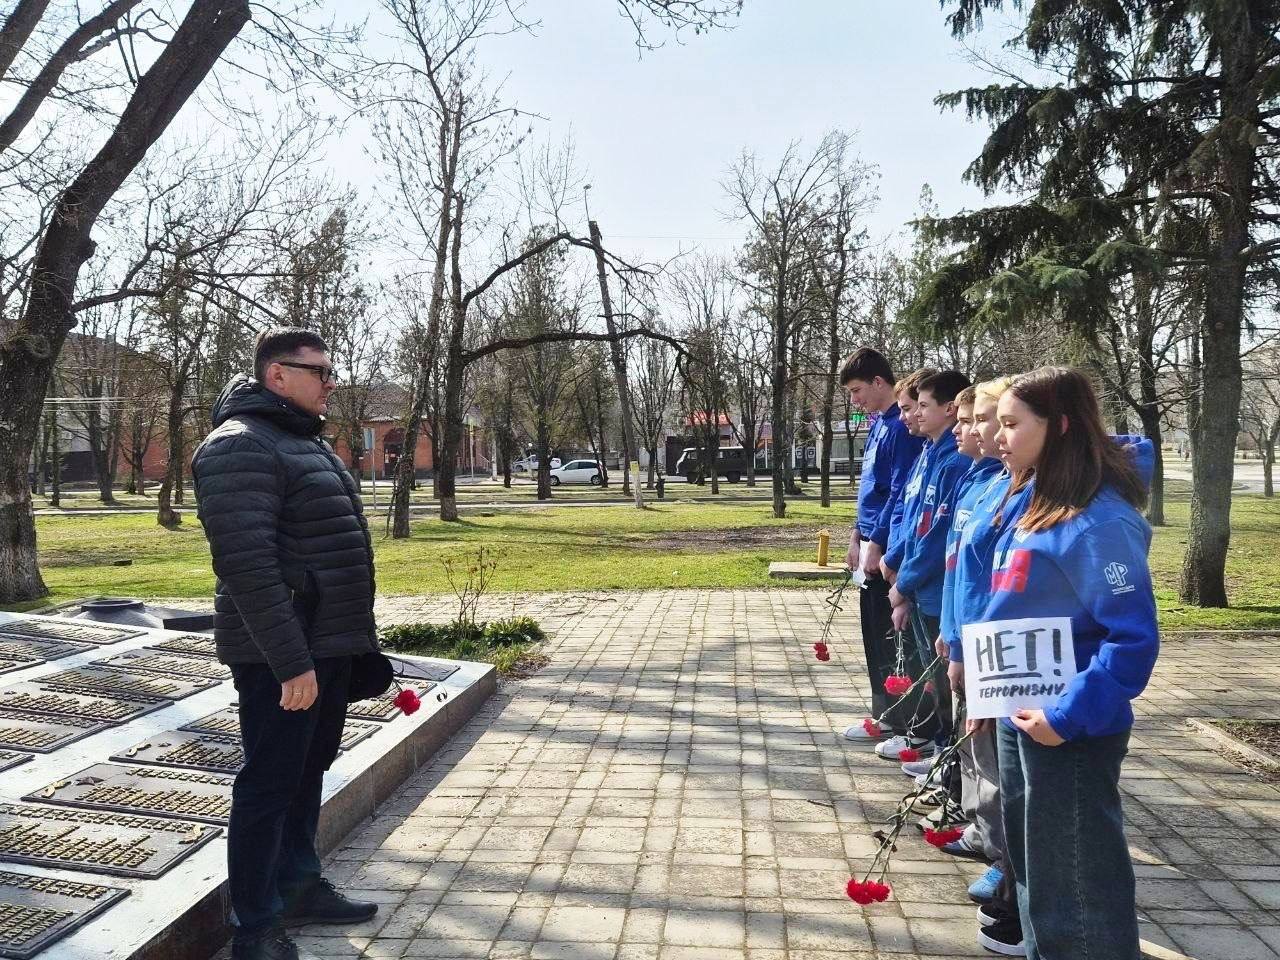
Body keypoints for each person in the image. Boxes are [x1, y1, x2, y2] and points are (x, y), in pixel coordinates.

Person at [192, 328, 381, 960]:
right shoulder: (239, 447)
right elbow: (247, 567)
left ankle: (299, 888)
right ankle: (255, 926)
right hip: (282, 654)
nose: (330, 382)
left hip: (325, 645)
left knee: (307, 774)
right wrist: (291, 662)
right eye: (319, 372)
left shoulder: (300, 440)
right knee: (270, 784)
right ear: (278, 376)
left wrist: (348, 647)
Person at [971, 367, 1159, 958]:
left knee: (1076, 881)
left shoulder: (1099, 521)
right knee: (1037, 876)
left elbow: (1131, 638)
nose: (998, 437)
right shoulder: (1033, 501)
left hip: (1066, 731)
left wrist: (1068, 717)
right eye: (997, 424)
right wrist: (987, 697)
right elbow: (1008, 610)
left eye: (1011, 424)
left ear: (1062, 427)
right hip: (1019, 716)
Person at [840, 349, 926, 745]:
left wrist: (877, 541)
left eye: (858, 390)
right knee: (874, 635)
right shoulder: (879, 425)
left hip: (888, 549)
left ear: (879, 382)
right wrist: (857, 534)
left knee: (894, 639)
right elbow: (870, 488)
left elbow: (899, 491)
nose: (854, 400)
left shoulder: (902, 430)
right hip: (871, 543)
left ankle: (906, 721)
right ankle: (885, 714)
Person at [887, 370, 972, 762]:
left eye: (922, 406)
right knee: (933, 676)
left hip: (936, 589)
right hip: (922, 586)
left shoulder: (954, 462)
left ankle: (945, 752)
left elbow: (938, 536)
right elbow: (915, 519)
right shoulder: (930, 453)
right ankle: (939, 748)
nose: (914, 415)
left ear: (950, 408)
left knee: (944, 679)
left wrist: (903, 581)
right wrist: (896, 565)